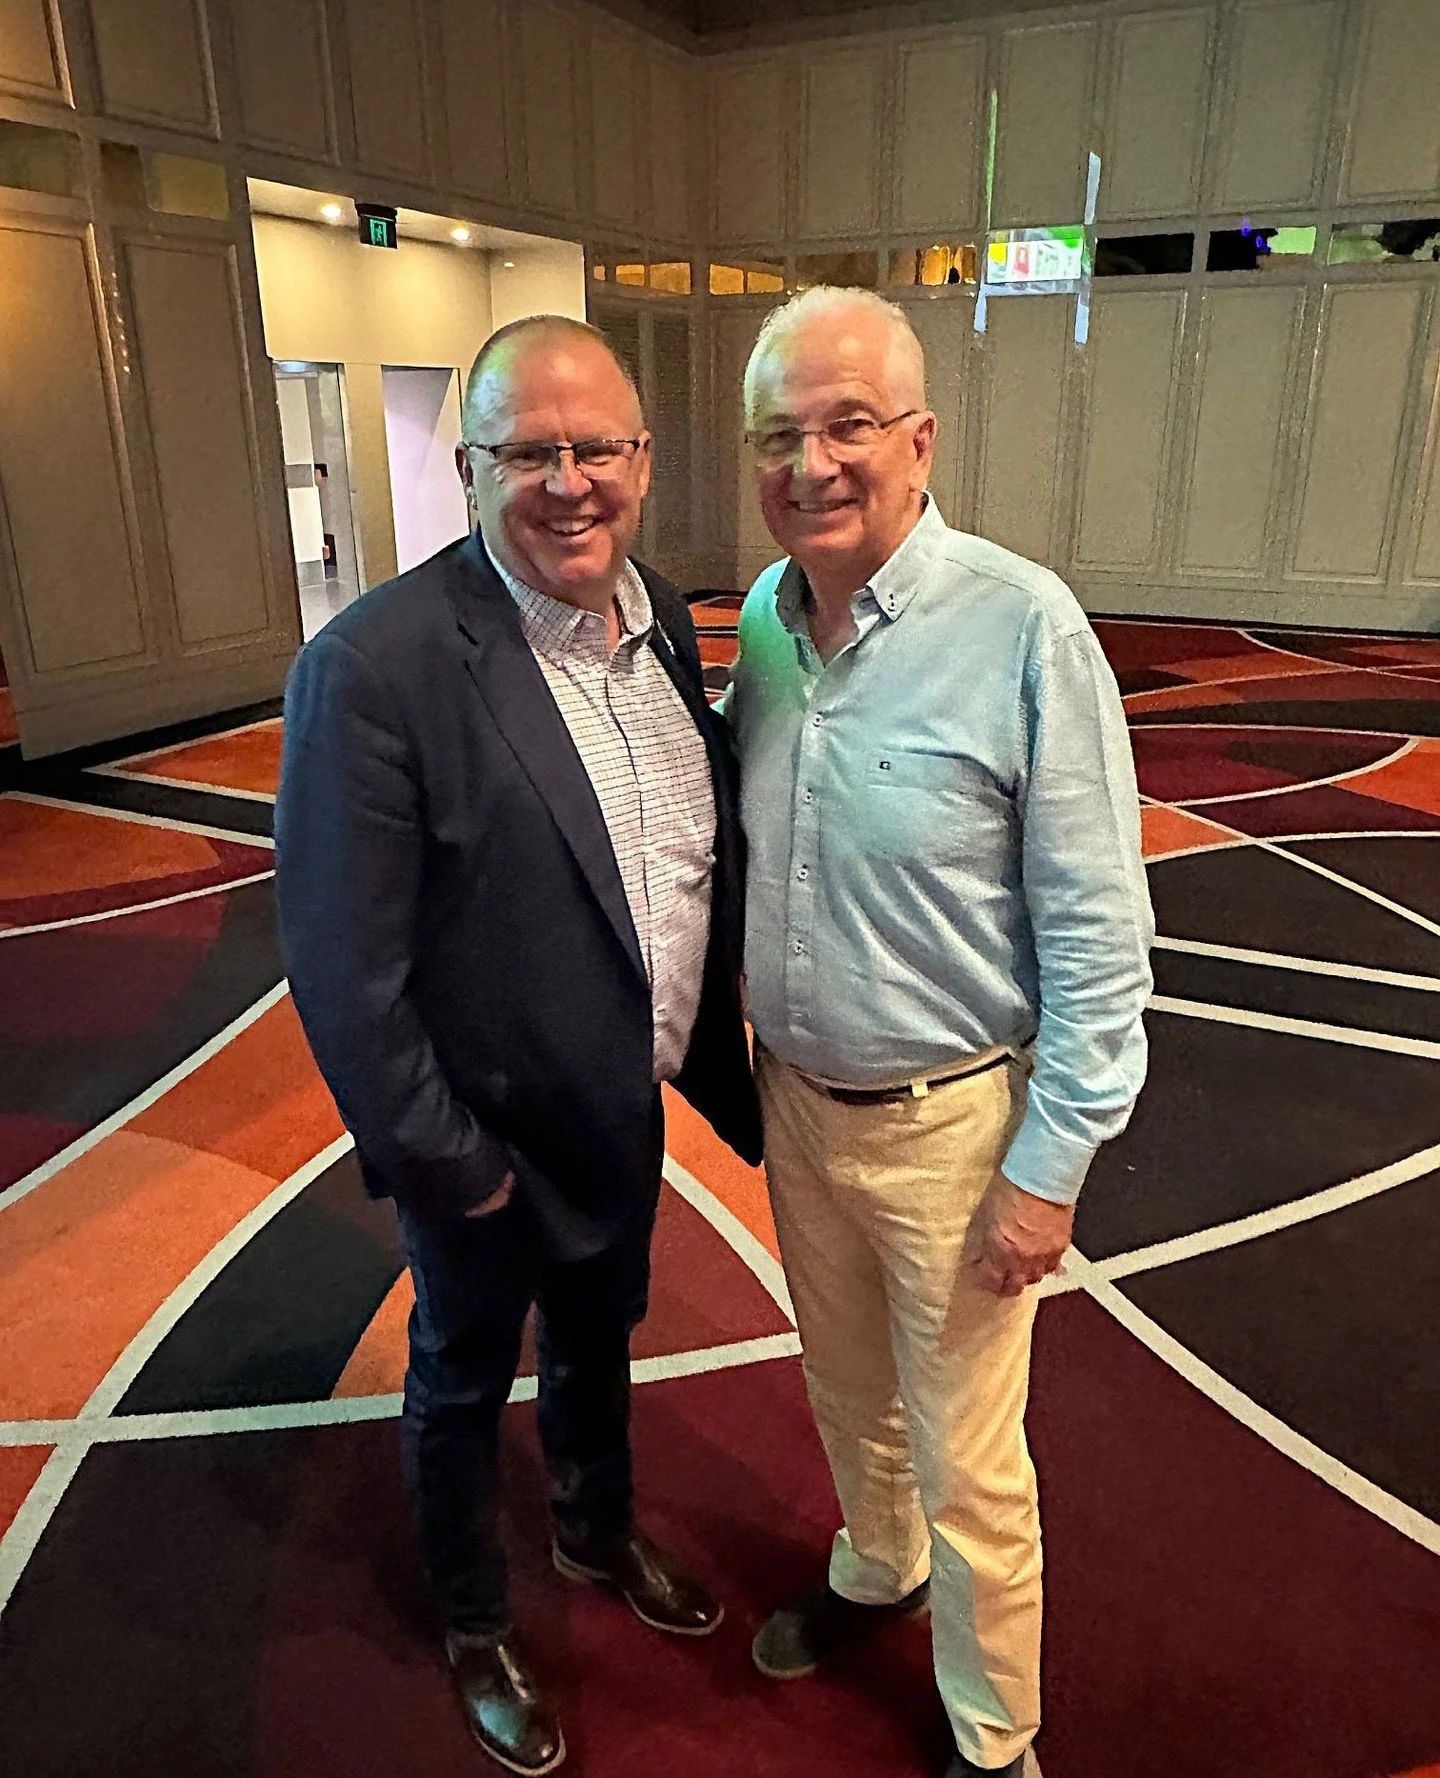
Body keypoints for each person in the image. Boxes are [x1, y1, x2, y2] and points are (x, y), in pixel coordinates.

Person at [275, 316, 762, 1776]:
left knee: (603, 1337)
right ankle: (477, 1618)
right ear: (474, 464)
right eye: (528, 453)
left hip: (623, 1099)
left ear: (644, 459)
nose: (568, 482)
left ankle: (595, 1529)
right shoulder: (378, 665)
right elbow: (345, 966)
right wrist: (450, 1164)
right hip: (479, 1136)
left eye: (596, 447)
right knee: (463, 1376)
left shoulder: (663, 613)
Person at [726, 287, 1154, 1776]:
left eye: (848, 425)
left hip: (954, 1129)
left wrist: (1051, 1166)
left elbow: (1104, 935)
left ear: (919, 440)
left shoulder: (1023, 624)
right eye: (780, 433)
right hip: (797, 1105)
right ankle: (872, 1561)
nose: (812, 462)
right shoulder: (769, 627)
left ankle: (993, 1732)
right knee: (845, 1390)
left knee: (974, 1458)